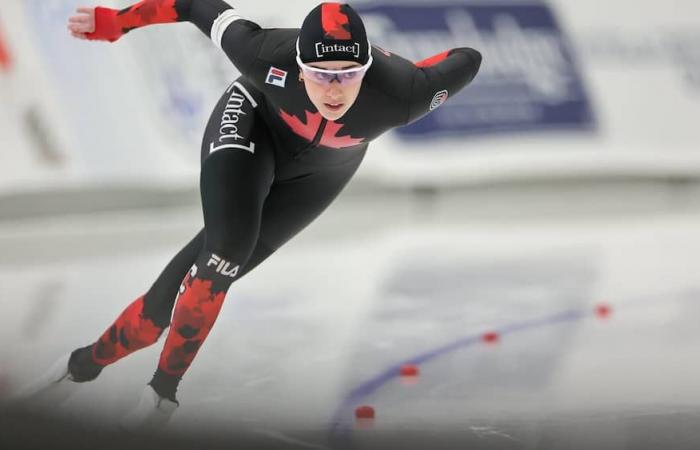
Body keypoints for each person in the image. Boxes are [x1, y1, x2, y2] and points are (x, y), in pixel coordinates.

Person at [22, 0, 481, 430]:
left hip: (321, 175)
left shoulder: (405, 92)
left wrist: (400, 64)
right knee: (222, 254)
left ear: (366, 68)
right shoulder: (262, 52)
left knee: (166, 305)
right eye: (321, 74)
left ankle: (106, 378)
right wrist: (118, 23)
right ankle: (121, 388)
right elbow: (193, 4)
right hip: (252, 124)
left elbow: (468, 56)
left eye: (349, 74)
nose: (334, 89)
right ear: (299, 69)